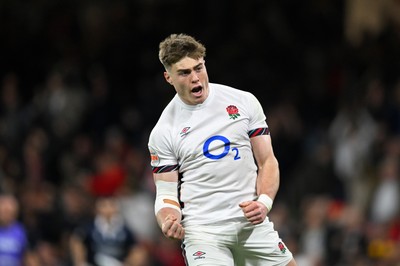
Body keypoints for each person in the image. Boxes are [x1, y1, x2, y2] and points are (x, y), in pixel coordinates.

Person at [148, 33, 297, 266]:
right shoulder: (164, 130)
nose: (195, 78)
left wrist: (264, 202)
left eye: (198, 68)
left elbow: (267, 161)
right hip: (204, 233)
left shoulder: (243, 102)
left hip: (251, 225)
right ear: (168, 77)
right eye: (184, 73)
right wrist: (169, 219)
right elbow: (166, 194)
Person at [69, 196, 149, 266]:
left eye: (111, 205)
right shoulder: (90, 227)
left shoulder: (124, 230)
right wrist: (80, 262)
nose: (107, 209)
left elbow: (136, 248)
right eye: (104, 205)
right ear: (97, 208)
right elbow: (77, 241)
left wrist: (129, 263)